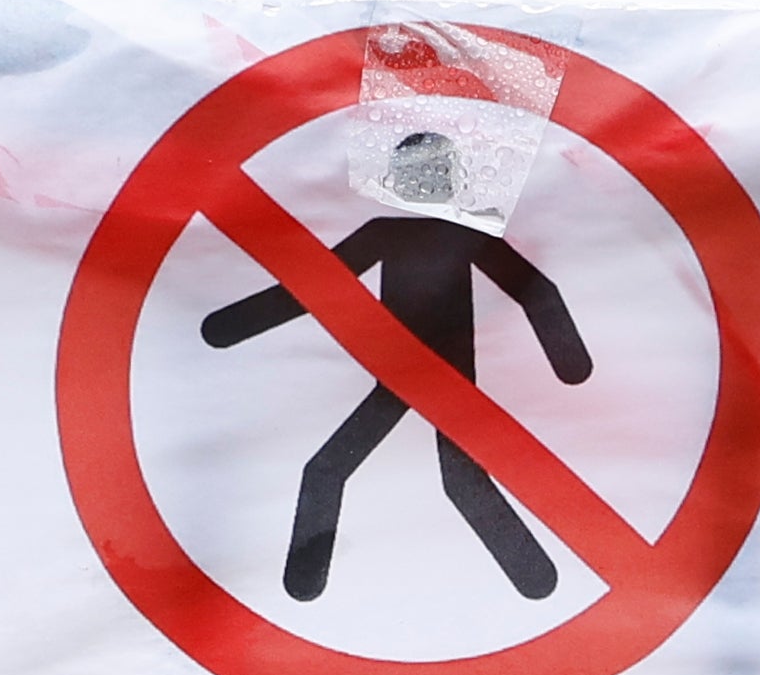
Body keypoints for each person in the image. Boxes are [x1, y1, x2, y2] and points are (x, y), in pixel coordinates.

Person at [198, 127, 593, 601]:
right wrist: (569, 363)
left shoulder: (446, 235)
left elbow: (534, 290)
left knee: (340, 469)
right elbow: (537, 291)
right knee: (445, 476)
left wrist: (228, 327)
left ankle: (540, 582)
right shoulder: (428, 235)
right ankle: (540, 581)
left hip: (431, 377)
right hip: (413, 375)